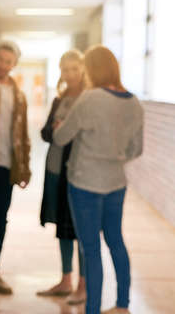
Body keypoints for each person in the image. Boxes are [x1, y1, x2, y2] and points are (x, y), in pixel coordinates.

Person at [53, 45, 144, 314]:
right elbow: (135, 150)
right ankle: (122, 305)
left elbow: (61, 138)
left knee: (91, 248)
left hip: (84, 183)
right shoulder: (134, 102)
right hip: (116, 183)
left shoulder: (90, 99)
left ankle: (92, 309)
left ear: (91, 70)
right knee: (116, 241)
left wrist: (61, 127)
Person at [0, 41, 32, 295]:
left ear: (14, 64)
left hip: (7, 166)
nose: (2, 65)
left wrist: (24, 168)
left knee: (0, 218)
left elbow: (22, 133)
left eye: (8, 61)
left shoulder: (19, 94)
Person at [37, 49, 87, 305]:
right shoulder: (59, 99)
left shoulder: (89, 99)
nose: (70, 75)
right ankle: (65, 280)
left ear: (83, 69)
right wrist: (55, 129)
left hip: (77, 173)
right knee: (63, 229)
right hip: (55, 170)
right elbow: (45, 133)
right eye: (65, 70)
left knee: (80, 229)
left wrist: (68, 130)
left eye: (74, 69)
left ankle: (83, 285)